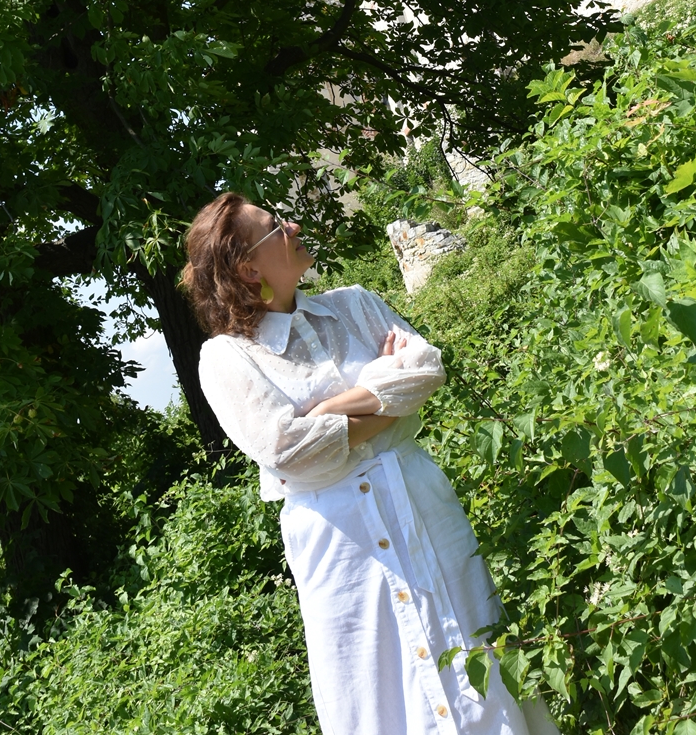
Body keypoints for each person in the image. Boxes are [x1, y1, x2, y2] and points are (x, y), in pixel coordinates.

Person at [183, 192, 559, 735]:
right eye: (274, 227)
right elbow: (287, 450)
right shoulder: (228, 358)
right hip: (341, 548)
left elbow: (426, 369)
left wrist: (330, 408)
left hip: (423, 505)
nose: (292, 225)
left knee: (472, 641)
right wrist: (384, 391)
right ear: (247, 267)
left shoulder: (354, 304)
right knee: (376, 681)